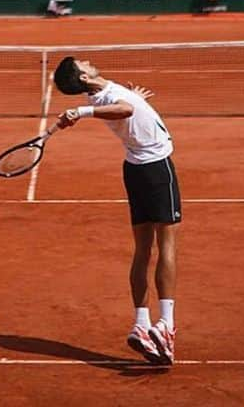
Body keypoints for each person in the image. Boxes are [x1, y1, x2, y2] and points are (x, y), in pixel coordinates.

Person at [53, 55, 181, 366]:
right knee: (166, 247)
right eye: (81, 64)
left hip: (136, 171)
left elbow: (127, 104)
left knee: (142, 251)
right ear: (82, 77)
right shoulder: (102, 100)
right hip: (156, 169)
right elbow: (126, 109)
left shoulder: (104, 92)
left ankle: (141, 323)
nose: (87, 61)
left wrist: (135, 97)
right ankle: (165, 325)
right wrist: (84, 112)